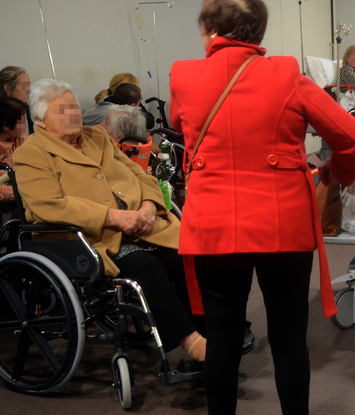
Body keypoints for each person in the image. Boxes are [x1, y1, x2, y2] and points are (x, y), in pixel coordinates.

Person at [169, 0, 355, 415]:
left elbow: (176, 118)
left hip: (215, 226)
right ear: (258, 32)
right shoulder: (286, 75)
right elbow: (354, 136)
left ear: (208, 30)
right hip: (283, 223)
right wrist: (337, 173)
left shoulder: (183, 76)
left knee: (221, 339)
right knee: (288, 336)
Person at [13, 79, 209, 362]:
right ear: (40, 121)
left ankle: (208, 331)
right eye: (62, 111)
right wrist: (113, 217)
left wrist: (149, 206)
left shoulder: (97, 137)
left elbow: (141, 175)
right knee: (147, 266)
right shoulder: (31, 154)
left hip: (140, 225)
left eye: (74, 107)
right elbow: (48, 206)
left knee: (185, 254)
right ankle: (191, 342)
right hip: (89, 239)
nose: (73, 115)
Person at [0, 97, 28, 205]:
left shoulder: (21, 137)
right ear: (6, 126)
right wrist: (26, 193)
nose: (26, 126)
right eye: (21, 123)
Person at [1, 65, 33, 133]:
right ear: (7, 89)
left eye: (28, 85)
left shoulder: (31, 113)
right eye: (24, 86)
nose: (29, 90)